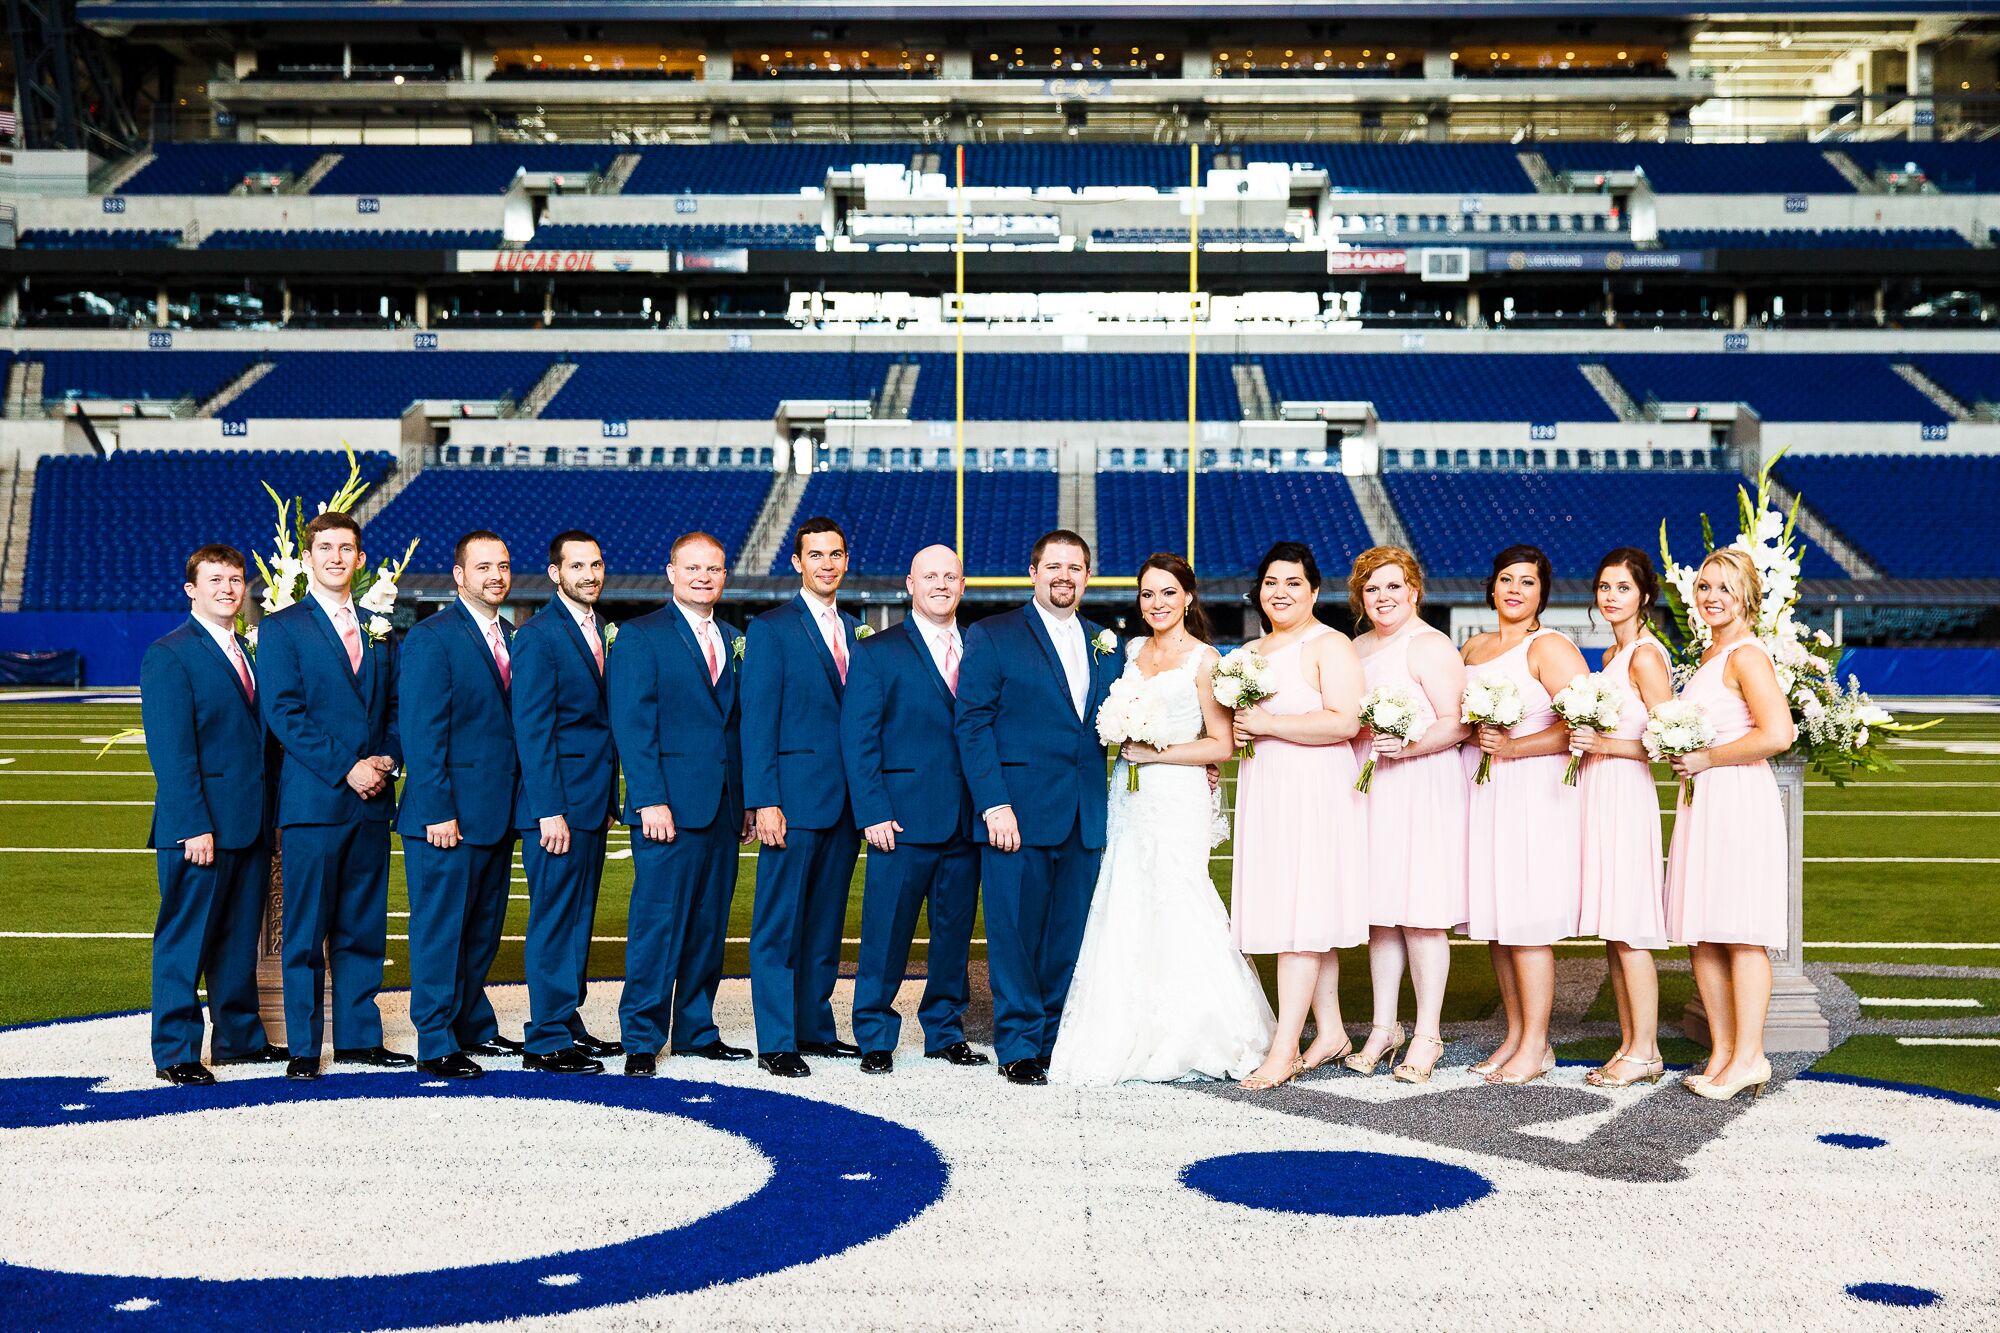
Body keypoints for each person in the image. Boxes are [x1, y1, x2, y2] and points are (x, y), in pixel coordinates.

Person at [1048, 554, 1274, 1085]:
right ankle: (1130, 1026)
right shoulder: (1129, 652)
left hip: (1175, 793)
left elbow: (1221, 744)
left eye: (1168, 593)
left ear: (1188, 597)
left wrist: (1157, 752)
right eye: (1148, 594)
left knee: (1179, 896)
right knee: (1127, 898)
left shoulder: (1205, 660)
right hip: (1129, 796)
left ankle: (1199, 1028)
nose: (1158, 604)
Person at [956, 529, 1124, 1086]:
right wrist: (994, 804)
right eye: (1054, 566)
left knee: (1067, 937)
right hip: (1017, 816)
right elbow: (972, 724)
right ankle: (1020, 1044)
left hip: (1082, 816)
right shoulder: (993, 634)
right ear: (1033, 572)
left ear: (1088, 575)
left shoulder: (1106, 642)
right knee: (1015, 936)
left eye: (1075, 567)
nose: (1064, 576)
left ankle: (1055, 1037)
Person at [256, 511, 410, 1080]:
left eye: (347, 548)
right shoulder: (282, 627)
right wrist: (348, 767)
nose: (336, 557)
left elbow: (397, 710)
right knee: (305, 932)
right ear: (308, 557)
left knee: (363, 927)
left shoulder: (383, 629)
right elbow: (284, 715)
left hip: (371, 802)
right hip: (315, 802)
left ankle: (359, 1039)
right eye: (325, 548)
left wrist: (388, 758)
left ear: (361, 559)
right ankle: (303, 1047)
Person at [608, 532, 753, 1077]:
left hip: (720, 807)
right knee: (658, 923)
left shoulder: (736, 638)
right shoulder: (641, 637)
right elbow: (633, 724)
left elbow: (737, 728)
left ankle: (696, 1029)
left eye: (713, 569)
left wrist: (744, 801)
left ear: (724, 576)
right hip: (667, 808)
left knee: (708, 924)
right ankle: (642, 1036)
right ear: (670, 573)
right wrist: (649, 799)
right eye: (692, 568)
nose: (702, 577)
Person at [139, 544, 283, 1084]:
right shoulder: (171, 653)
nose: (228, 588)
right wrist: (192, 822)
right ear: (191, 590)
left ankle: (239, 1039)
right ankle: (175, 1051)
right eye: (215, 580)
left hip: (248, 822)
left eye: (235, 579)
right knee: (186, 940)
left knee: (235, 939)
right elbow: (172, 752)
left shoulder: (246, 650)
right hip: (199, 828)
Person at [841, 545, 988, 1075]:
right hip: (900, 820)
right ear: (911, 583)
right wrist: (873, 810)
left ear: (964, 585)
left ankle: (945, 1030)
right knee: (886, 931)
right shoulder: (879, 651)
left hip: (966, 820)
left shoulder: (982, 648)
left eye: (951, 576)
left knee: (954, 933)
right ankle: (875, 1033)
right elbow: (859, 738)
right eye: (931, 576)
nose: (942, 585)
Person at [1230, 542, 1369, 1090]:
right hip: (1268, 789)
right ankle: (1330, 1030)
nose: (1280, 592)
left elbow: (1345, 723)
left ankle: (1284, 1049)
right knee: (1300, 916)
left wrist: (1265, 725)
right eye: (1270, 582)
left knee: (1302, 920)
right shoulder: (1247, 653)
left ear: (1314, 591)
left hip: (1315, 789)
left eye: (1293, 583)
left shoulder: (1328, 645)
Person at [1667, 547, 1796, 1102]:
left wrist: (1707, 758)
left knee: (1742, 933)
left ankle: (1750, 1057)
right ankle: (1722, 1050)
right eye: (1703, 586)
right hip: (1703, 800)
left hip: (1738, 797)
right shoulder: (1708, 654)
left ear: (1746, 595)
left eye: (1723, 587)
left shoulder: (1746, 655)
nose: (1711, 596)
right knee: (1704, 930)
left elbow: (1778, 734)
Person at [396, 531, 522, 1080]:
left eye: (503, 565)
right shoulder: (432, 638)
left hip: (495, 812)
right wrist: (436, 810)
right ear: (458, 576)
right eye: (483, 566)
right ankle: (435, 1038)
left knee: (481, 929)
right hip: (446, 817)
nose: (495, 575)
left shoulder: (514, 637)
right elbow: (423, 735)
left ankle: (473, 1024)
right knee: (441, 930)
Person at [1461, 544, 1588, 1087]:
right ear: (1491, 587)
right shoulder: (1472, 648)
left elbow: (1580, 724)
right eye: (1506, 579)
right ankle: (1515, 1035)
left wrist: (1514, 748)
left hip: (1533, 794)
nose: (1515, 589)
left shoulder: (1551, 647)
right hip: (1483, 793)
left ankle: (1537, 1043)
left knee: (1528, 921)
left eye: (1527, 582)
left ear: (1542, 593)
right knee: (1497, 921)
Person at [742, 517, 865, 1078]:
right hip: (791, 803)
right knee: (779, 924)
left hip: (843, 805)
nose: (827, 564)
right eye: (816, 555)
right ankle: (776, 1040)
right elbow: (757, 720)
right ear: (797, 562)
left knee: (824, 924)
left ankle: (815, 1028)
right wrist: (764, 799)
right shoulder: (772, 628)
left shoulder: (859, 630)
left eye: (835, 554)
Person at [1345, 547, 1468, 1084]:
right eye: (1373, 589)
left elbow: (1457, 723)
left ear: (1414, 590)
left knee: (1420, 913)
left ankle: (1428, 1034)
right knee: (1381, 914)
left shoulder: (1430, 645)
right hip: (1373, 787)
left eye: (1394, 587)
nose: (1384, 597)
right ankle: (1383, 1026)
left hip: (1421, 785)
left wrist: (1408, 745)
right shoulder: (1355, 648)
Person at [512, 531, 623, 1074]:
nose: (589, 574)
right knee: (555, 920)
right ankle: (545, 1037)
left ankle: (566, 1018)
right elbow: (533, 730)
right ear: (555, 573)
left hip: (589, 802)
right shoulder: (539, 635)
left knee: (578, 919)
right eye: (577, 566)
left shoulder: (595, 627)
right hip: (556, 807)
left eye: (596, 564)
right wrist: (548, 809)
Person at [1571, 548, 1675, 1089]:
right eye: (1605, 587)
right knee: (1614, 929)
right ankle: (1633, 1042)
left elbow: (1670, 739)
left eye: (1623, 588)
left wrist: (1603, 743)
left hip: (1625, 797)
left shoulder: (1643, 656)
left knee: (1630, 927)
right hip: (1599, 792)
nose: (1611, 597)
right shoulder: (1613, 653)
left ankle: (1647, 1050)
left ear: (1645, 596)